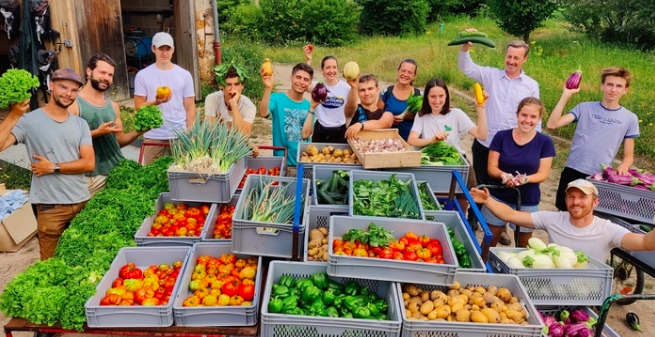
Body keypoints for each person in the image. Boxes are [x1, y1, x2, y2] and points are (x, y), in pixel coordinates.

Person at [0, 68, 94, 260]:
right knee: (50, 263)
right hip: (51, 207)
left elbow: (88, 163)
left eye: (74, 90)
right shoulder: (28, 121)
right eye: (63, 87)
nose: (68, 94)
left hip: (82, 201)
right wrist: (14, 114)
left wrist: (54, 167)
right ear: (51, 86)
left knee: (84, 259)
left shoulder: (80, 124)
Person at [459, 39, 539, 244]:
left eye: (516, 58)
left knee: (504, 186)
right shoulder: (491, 75)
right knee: (483, 183)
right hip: (486, 143)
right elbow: (467, 68)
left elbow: (534, 116)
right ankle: (477, 221)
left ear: (525, 59)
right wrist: (465, 47)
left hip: (511, 147)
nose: (511, 61)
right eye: (509, 56)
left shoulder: (531, 85)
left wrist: (534, 146)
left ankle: (500, 226)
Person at [470, 179, 655, 262]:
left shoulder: (607, 229)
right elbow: (510, 215)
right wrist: (487, 199)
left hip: (587, 290)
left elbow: (645, 243)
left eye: (583, 197)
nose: (576, 202)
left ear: (595, 202)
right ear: (565, 200)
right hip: (552, 282)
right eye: (571, 197)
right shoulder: (553, 219)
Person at [547, 67, 639, 211]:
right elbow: (552, 124)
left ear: (625, 90)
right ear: (602, 85)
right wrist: (566, 94)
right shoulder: (584, 108)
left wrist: (623, 166)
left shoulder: (630, 118)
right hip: (573, 170)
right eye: (609, 84)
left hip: (599, 176)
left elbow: (629, 156)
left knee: (587, 218)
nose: (613, 89)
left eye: (619, 86)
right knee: (563, 214)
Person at [68, 54, 149, 197]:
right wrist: (95, 133)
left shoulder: (113, 106)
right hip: (91, 177)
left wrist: (139, 131)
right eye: (102, 72)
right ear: (89, 72)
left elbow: (117, 141)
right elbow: (65, 143)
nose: (107, 78)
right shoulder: (74, 104)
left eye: (110, 74)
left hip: (117, 172)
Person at [481, 97, 555, 247]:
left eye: (533, 117)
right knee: (489, 241)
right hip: (499, 196)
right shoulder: (501, 136)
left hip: (526, 199)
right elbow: (492, 168)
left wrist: (525, 179)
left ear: (539, 118)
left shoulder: (545, 142)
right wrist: (503, 175)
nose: (527, 120)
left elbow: (542, 174)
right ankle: (483, 268)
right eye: (524, 115)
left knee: (523, 246)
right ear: (517, 115)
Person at [407, 78, 488, 187]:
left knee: (466, 195)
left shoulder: (456, 114)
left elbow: (482, 135)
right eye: (432, 96)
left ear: (446, 96)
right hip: (433, 163)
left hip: (457, 162)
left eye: (441, 96)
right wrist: (432, 140)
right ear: (426, 97)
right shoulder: (422, 115)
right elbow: (411, 140)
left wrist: (481, 108)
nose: (437, 101)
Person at [134, 32, 196, 165]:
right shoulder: (143, 75)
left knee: (181, 175)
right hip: (153, 135)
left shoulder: (184, 75)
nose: (164, 53)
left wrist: (189, 132)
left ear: (173, 50)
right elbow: (138, 106)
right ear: (153, 49)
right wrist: (156, 102)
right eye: (161, 49)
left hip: (179, 134)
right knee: (152, 176)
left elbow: (190, 107)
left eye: (168, 49)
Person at [259, 63, 315, 168]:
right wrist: (268, 88)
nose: (301, 82)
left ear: (310, 83)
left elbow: (306, 135)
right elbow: (263, 113)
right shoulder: (277, 99)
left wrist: (312, 108)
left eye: (306, 79)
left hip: (303, 161)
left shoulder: (309, 105)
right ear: (291, 78)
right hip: (282, 162)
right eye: (298, 77)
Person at [304, 50, 350, 143]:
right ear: (322, 70)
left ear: (337, 69)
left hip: (340, 132)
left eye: (334, 67)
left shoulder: (346, 87)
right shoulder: (317, 86)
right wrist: (308, 60)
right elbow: (304, 83)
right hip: (320, 131)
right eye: (328, 67)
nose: (331, 71)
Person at [204, 65, 256, 135]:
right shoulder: (212, 99)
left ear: (242, 85)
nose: (232, 89)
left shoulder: (249, 106)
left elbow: (244, 136)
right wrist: (231, 126)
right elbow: (209, 130)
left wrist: (234, 104)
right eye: (228, 84)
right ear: (220, 85)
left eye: (236, 84)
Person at [381, 58, 422, 141]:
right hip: (387, 141)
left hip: (411, 143)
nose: (405, 74)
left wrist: (414, 117)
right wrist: (389, 119)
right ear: (398, 71)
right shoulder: (386, 92)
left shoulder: (420, 95)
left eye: (410, 72)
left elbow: (428, 118)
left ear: (414, 76)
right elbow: (376, 114)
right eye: (403, 70)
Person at [343, 74, 394, 139]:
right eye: (362, 90)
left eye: (370, 89)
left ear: (377, 90)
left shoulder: (387, 115)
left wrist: (360, 125)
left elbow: (381, 124)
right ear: (358, 92)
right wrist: (353, 88)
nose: (366, 93)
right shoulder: (353, 111)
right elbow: (351, 105)